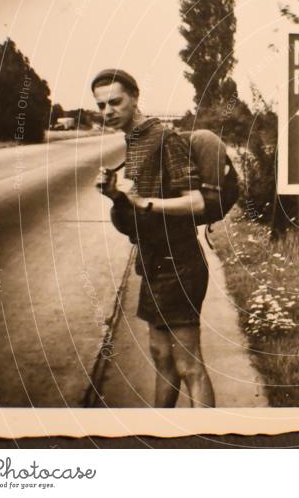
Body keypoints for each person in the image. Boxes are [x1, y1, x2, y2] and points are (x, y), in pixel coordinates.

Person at [92, 68, 215, 408]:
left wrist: (143, 202)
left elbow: (196, 202)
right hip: (153, 264)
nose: (108, 112)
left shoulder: (165, 138)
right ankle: (160, 436)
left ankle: (209, 446)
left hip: (179, 264)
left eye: (115, 102)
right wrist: (117, 196)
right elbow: (136, 219)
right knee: (162, 359)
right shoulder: (134, 141)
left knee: (189, 366)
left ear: (135, 97)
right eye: (101, 106)